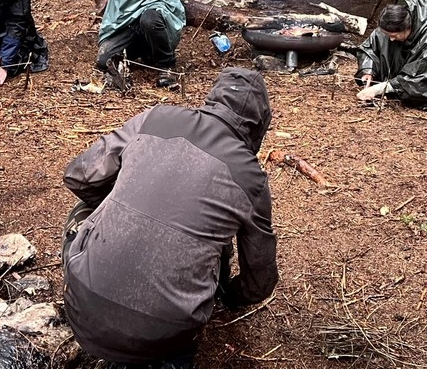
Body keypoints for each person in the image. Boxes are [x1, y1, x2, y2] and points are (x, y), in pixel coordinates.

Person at [61, 68, 278, 367]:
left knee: (83, 212)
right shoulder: (250, 177)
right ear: (260, 126)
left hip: (82, 308)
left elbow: (79, 176)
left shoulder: (155, 118)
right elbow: (260, 281)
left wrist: (119, 208)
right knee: (216, 249)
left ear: (213, 98)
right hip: (167, 336)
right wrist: (228, 296)